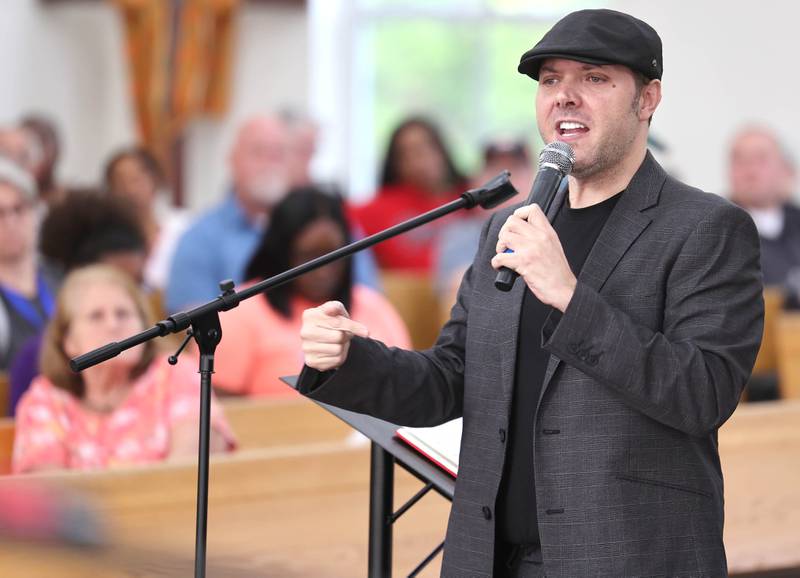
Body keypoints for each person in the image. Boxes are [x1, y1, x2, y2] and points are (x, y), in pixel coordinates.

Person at [295, 9, 764, 578]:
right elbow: (453, 376)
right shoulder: (509, 227)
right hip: (492, 558)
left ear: (647, 99)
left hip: (627, 557)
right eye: (550, 81)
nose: (565, 96)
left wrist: (570, 295)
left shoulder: (705, 227)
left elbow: (702, 393)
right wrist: (350, 359)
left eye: (593, 78)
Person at [12, 265, 236, 474]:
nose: (113, 325)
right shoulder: (46, 398)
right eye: (96, 316)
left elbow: (190, 461)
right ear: (69, 340)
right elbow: (46, 493)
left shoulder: (174, 373)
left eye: (123, 314)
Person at [166, 115, 379, 313]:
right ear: (232, 160)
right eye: (258, 152)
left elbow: (367, 303)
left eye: (279, 154)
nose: (269, 163)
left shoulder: (331, 227)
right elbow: (190, 322)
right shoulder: (199, 238)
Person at [213, 187, 410, 397]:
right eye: (309, 256)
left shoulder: (375, 307)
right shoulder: (240, 313)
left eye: (334, 255)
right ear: (282, 254)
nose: (324, 271)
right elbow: (222, 412)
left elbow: (404, 390)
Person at [349, 116, 467, 273]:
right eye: (406, 154)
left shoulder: (470, 199)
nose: (418, 161)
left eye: (424, 149)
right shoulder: (377, 208)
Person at [0, 155, 60, 372]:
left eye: (19, 209)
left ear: (36, 211)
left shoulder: (61, 278)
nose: (11, 222)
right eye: (0, 213)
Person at [103, 146, 190, 291]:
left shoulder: (183, 226)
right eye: (120, 183)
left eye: (136, 180)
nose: (130, 190)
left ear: (154, 179)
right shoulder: (106, 240)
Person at [728, 126, 800, 297]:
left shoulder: (796, 220)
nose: (750, 171)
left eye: (761, 160)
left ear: (786, 169)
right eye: (740, 161)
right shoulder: (717, 228)